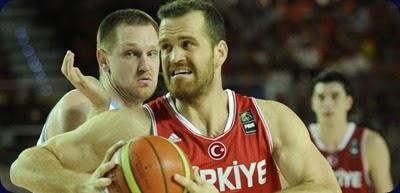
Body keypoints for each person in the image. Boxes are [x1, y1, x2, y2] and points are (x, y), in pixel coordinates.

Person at [10, 1, 341, 193]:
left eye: (187, 44)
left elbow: (327, 188)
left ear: (219, 52)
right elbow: (25, 166)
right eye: (165, 48)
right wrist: (79, 186)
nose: (173, 58)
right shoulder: (136, 125)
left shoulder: (269, 118)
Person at [36, 8, 161, 145]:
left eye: (152, 53)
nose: (145, 66)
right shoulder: (82, 104)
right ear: (103, 60)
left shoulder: (150, 120)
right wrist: (99, 108)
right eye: (130, 54)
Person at [309, 70, 393, 193]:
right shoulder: (300, 139)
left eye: (334, 96)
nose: (327, 103)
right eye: (321, 97)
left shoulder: (371, 143)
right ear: (312, 103)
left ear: (348, 102)